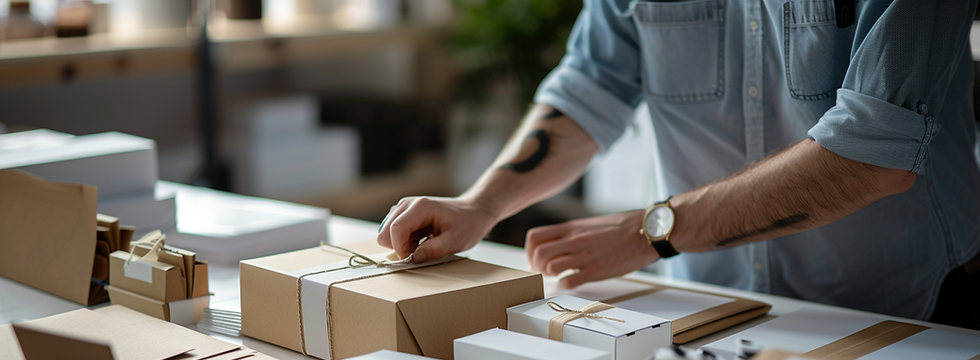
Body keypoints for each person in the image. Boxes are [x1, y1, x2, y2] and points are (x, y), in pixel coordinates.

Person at [378, 0, 980, 329]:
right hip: (709, 311)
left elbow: (873, 155)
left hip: (908, 315)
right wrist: (480, 204)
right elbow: (592, 84)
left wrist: (652, 231)